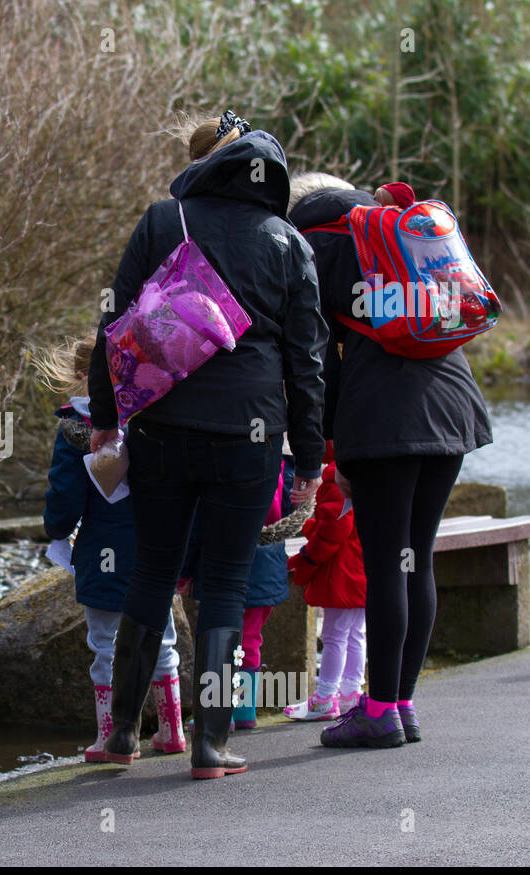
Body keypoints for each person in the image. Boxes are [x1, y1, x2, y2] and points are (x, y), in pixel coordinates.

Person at [87, 111, 327, 779]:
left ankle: (120, 739)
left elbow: (114, 323)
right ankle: (211, 746)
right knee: (223, 585)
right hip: (248, 436)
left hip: (162, 426)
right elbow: (307, 365)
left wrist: (107, 417)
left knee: (152, 573)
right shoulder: (287, 242)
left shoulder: (165, 221)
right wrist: (309, 463)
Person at [289, 176, 493, 746]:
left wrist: (330, 444)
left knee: (383, 567)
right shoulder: (394, 233)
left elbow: (316, 360)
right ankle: (400, 705)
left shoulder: (315, 244)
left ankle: (378, 713)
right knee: (414, 559)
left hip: (384, 415)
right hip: (453, 403)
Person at [38, 337, 185, 763]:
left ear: (82, 376)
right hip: (155, 548)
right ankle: (173, 731)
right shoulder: (151, 417)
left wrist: (56, 529)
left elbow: (64, 499)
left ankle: (111, 737)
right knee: (162, 638)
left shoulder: (73, 427)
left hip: (102, 552)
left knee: (104, 644)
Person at [178, 455, 294, 731]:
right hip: (268, 564)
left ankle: (222, 713)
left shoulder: (219, 468)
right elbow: (286, 510)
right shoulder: (279, 467)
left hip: (226, 563)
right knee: (250, 639)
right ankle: (244, 711)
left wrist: (184, 572)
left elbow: (196, 526)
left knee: (220, 637)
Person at [284, 441, 367, 720]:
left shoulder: (335, 478)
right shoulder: (363, 470)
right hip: (361, 568)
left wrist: (308, 557)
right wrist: (311, 526)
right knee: (356, 633)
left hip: (342, 573)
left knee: (334, 635)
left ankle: (324, 697)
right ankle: (350, 693)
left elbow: (336, 525)